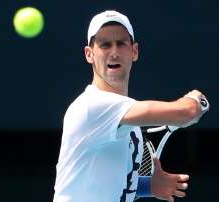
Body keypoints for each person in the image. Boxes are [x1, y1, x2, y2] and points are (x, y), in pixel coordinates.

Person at [53, 10, 209, 202]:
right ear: (89, 54)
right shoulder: (91, 106)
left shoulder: (128, 122)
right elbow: (187, 113)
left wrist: (148, 186)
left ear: (134, 51)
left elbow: (110, 185)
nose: (114, 52)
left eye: (121, 43)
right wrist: (196, 101)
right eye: (105, 45)